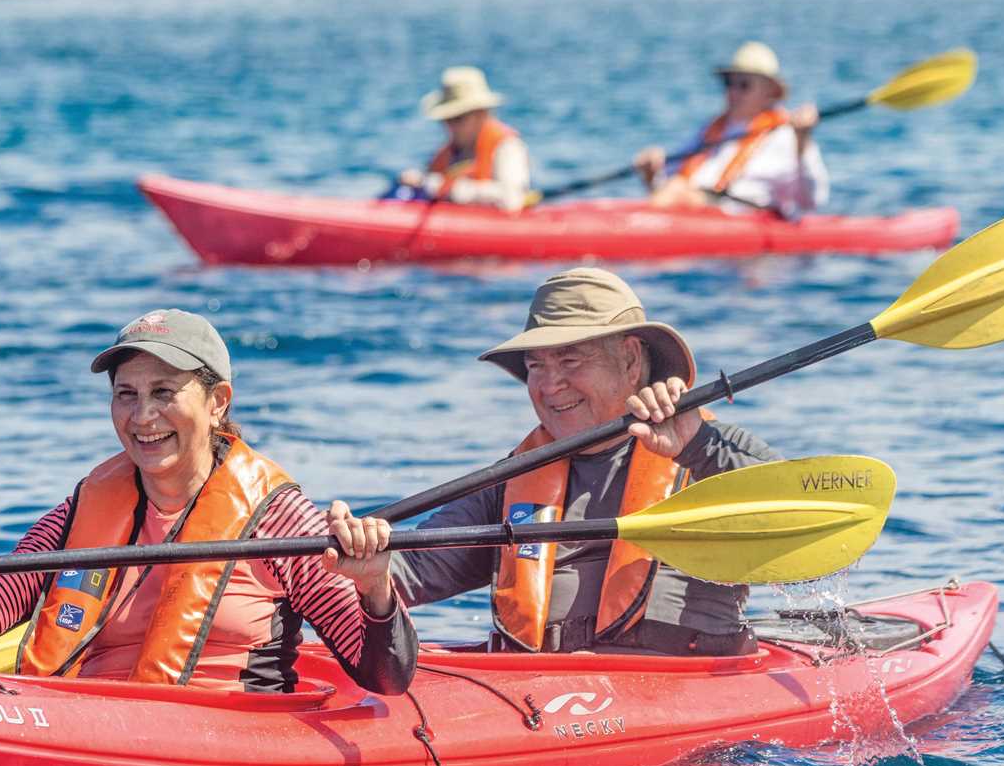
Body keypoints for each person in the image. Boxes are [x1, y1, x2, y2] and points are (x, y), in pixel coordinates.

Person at [0, 309, 419, 694]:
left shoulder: (280, 520)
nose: (142, 416)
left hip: (224, 757)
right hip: (89, 726)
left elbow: (385, 675)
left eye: (163, 392)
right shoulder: (82, 508)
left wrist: (374, 585)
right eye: (126, 394)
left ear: (217, 402)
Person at [325, 268, 779, 656]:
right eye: (536, 365)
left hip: (677, 699)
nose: (550, 384)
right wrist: (372, 569)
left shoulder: (704, 448)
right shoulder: (516, 476)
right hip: (542, 697)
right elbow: (412, 571)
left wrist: (696, 443)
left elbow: (812, 524)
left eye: (570, 358)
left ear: (631, 360)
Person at [633, 41, 829, 219]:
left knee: (677, 189)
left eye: (744, 85)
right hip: (694, 208)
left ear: (770, 92)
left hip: (742, 214)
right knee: (675, 187)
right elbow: (665, 185)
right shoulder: (711, 129)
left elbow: (810, 200)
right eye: (729, 83)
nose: (733, 92)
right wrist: (651, 173)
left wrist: (803, 140)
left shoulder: (787, 134)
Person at [383, 66, 533, 211]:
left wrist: (449, 189)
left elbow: (512, 200)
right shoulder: (449, 152)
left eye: (458, 118)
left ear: (481, 114)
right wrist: (419, 181)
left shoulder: (507, 147)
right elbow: (432, 183)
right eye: (446, 119)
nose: (450, 126)